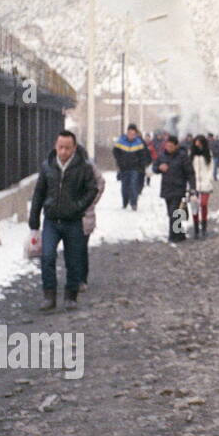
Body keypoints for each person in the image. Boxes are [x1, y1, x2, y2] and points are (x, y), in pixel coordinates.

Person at [28, 130, 96, 312]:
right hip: (51, 220)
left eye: (67, 148)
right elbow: (39, 193)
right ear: (55, 147)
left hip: (73, 221)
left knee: (73, 260)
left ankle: (71, 296)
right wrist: (34, 222)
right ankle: (49, 296)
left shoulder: (84, 167)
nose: (64, 151)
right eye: (60, 147)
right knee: (47, 256)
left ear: (74, 148)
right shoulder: (47, 166)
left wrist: (78, 206)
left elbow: (92, 189)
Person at [153, 135, 194, 244]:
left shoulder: (183, 157)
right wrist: (159, 168)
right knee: (172, 213)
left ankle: (173, 236)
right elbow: (154, 167)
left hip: (179, 188)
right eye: (167, 146)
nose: (169, 148)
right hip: (167, 188)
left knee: (174, 212)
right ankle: (180, 234)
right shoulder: (162, 156)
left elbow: (190, 173)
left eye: (171, 146)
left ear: (176, 146)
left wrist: (192, 188)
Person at [80, 156, 106, 290]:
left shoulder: (88, 166)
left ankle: (81, 278)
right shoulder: (57, 164)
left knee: (81, 247)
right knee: (71, 247)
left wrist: (90, 201)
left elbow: (100, 182)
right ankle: (75, 276)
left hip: (85, 214)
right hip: (65, 215)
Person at [112, 124, 149, 210]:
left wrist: (141, 165)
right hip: (124, 168)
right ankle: (125, 202)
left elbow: (143, 155)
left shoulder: (139, 142)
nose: (131, 136)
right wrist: (120, 161)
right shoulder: (121, 141)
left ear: (135, 134)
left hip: (135, 168)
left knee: (133, 185)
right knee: (124, 186)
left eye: (133, 134)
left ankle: (134, 203)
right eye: (129, 133)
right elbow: (115, 151)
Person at [189, 134, 215, 238]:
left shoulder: (208, 153)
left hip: (205, 184)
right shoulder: (191, 154)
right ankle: (196, 229)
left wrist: (208, 179)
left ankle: (204, 227)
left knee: (204, 204)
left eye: (199, 142)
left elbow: (211, 167)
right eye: (196, 141)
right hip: (194, 184)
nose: (197, 144)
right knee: (194, 206)